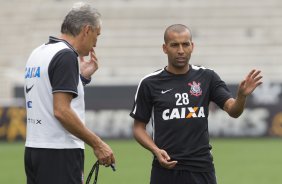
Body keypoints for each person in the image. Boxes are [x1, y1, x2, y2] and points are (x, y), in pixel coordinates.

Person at [130, 24, 262, 184]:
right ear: (165, 48)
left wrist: (241, 96)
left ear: (192, 46)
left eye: (185, 44)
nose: (180, 50)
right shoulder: (149, 83)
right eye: (174, 45)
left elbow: (233, 110)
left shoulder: (207, 77)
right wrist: (156, 150)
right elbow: (138, 128)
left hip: (201, 168)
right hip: (165, 169)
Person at [24, 2, 115, 184]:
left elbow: (46, 94)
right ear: (87, 30)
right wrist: (98, 144)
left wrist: (81, 79)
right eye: (97, 35)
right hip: (59, 152)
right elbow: (61, 111)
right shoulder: (66, 55)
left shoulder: (39, 52)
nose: (95, 43)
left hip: (34, 149)